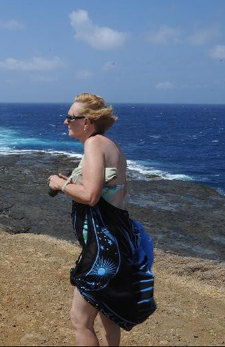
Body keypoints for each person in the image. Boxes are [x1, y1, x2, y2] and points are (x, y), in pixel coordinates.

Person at [48, 93, 156, 346]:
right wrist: (70, 183)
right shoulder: (112, 145)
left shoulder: (94, 144)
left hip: (103, 249)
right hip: (118, 241)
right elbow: (114, 193)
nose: (65, 122)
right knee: (108, 317)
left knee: (80, 320)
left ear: (86, 122)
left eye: (70, 117)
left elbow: (92, 195)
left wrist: (58, 185)